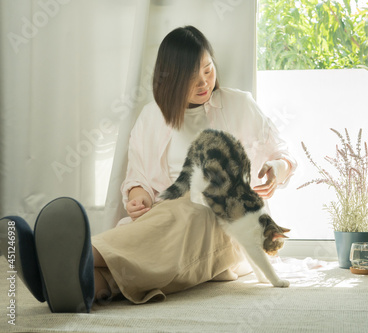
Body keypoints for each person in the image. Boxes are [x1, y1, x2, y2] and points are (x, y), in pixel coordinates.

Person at [0, 25, 296, 312]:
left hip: (226, 228)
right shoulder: (151, 118)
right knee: (159, 231)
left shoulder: (239, 104)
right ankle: (83, 286)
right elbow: (138, 178)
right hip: (166, 227)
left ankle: (65, 257)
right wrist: (138, 196)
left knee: (194, 208)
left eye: (208, 70)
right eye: (193, 78)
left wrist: (276, 169)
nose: (204, 83)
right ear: (171, 80)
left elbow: (284, 155)